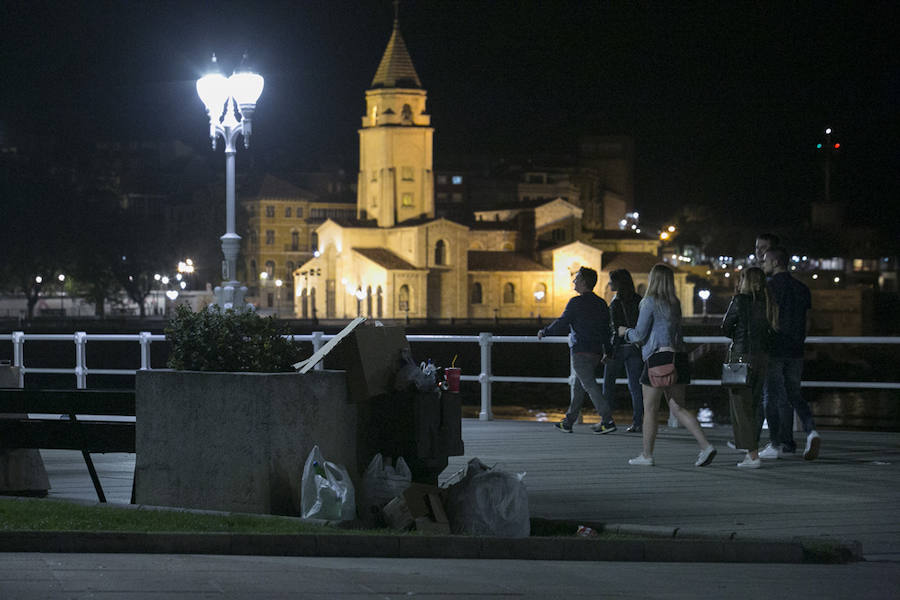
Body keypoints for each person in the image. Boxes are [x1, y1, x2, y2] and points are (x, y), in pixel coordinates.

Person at [620, 263, 716, 467]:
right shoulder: (675, 303)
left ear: (653, 279)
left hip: (658, 359)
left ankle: (646, 455)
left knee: (650, 409)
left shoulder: (649, 302)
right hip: (678, 358)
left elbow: (639, 335)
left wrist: (624, 332)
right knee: (678, 407)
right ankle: (705, 446)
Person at [538, 267, 616, 434]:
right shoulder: (601, 303)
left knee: (589, 386)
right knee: (579, 386)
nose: (574, 281)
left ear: (583, 282)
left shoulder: (576, 303)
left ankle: (608, 420)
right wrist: (607, 351)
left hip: (580, 351)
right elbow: (606, 331)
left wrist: (545, 332)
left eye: (577, 279)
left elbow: (563, 322)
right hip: (595, 352)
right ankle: (568, 421)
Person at [759, 246, 820, 460]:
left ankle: (775, 444)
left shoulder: (768, 288)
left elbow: (764, 320)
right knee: (794, 394)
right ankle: (811, 430)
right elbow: (809, 321)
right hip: (796, 349)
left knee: (771, 397)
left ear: (776, 262)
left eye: (765, 260)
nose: (762, 264)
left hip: (775, 349)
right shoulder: (802, 288)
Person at [721, 267, 778, 468]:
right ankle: (750, 451)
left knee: (740, 407)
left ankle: (752, 455)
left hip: (739, 356)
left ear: (745, 280)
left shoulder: (740, 300)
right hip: (762, 357)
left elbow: (725, 327)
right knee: (753, 406)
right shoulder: (768, 302)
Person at [602, 269, 644, 433]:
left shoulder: (615, 302)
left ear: (619, 283)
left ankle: (607, 420)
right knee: (635, 387)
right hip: (634, 347)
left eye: (612, 281)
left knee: (609, 385)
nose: (610, 284)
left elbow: (613, 329)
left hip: (618, 348)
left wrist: (608, 351)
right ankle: (638, 422)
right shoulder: (639, 300)